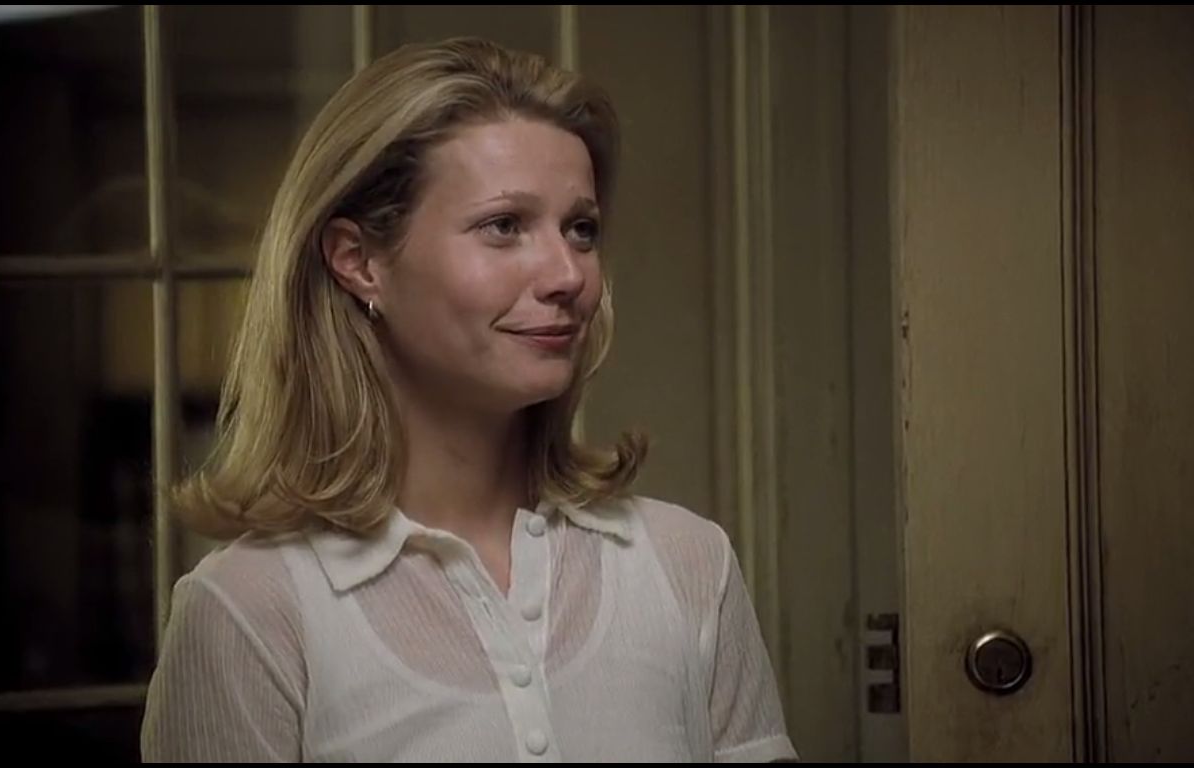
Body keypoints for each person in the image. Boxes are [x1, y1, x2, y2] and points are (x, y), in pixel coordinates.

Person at [141, 37, 796, 763]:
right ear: (359, 261)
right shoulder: (249, 611)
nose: (568, 274)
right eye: (504, 226)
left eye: (580, 229)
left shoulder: (686, 565)